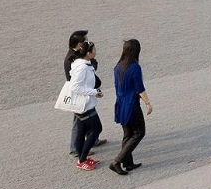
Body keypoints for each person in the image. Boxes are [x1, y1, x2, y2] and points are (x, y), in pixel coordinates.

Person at [109, 39, 152, 176]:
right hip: (131, 104)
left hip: (120, 103)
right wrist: (148, 103)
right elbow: (140, 88)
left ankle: (127, 163)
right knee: (139, 132)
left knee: (127, 134)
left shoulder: (118, 66)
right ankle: (117, 161)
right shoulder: (135, 67)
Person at [64, 30, 106, 158]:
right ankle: (77, 150)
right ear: (78, 44)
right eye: (84, 41)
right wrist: (93, 91)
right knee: (82, 124)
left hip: (85, 95)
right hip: (81, 96)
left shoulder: (78, 55)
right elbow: (74, 83)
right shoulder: (74, 59)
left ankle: (89, 143)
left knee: (85, 124)